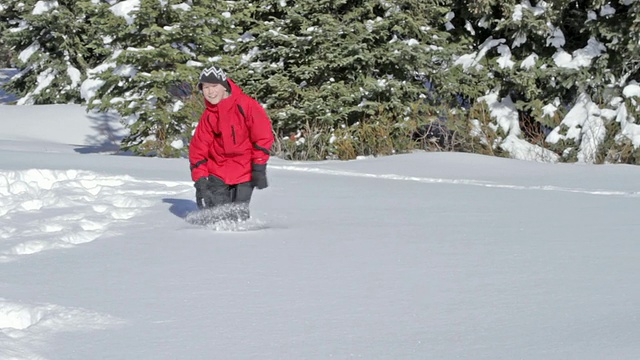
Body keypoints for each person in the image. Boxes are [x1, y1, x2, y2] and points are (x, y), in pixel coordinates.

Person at [188, 65, 274, 221]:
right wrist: (200, 181)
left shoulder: (246, 105)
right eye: (205, 87)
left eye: (214, 86)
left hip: (244, 169)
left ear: (224, 86)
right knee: (217, 217)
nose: (210, 91)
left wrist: (259, 166)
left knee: (238, 217)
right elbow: (198, 148)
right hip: (218, 171)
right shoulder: (209, 115)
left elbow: (262, 135)